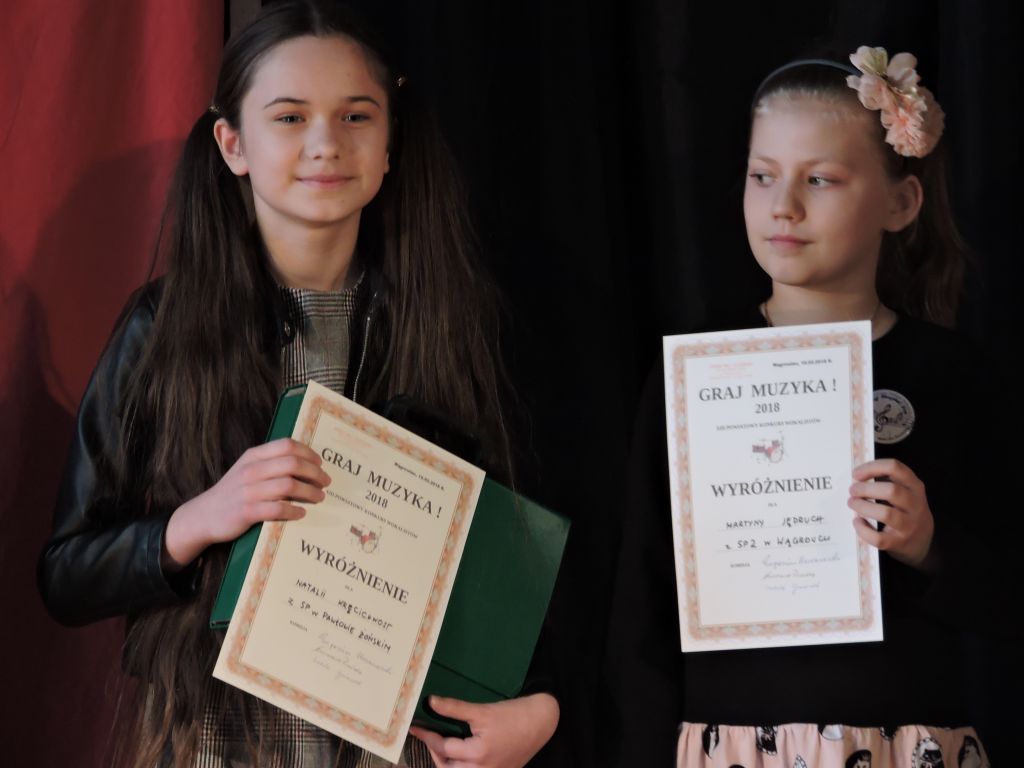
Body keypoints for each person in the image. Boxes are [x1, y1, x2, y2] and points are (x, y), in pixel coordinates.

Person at [37, 2, 558, 766]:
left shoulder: (446, 323)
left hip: (390, 746)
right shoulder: (162, 328)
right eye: (289, 117)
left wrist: (540, 707)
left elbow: (512, 561)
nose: (326, 144)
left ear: (391, 141)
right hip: (215, 740)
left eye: (356, 116)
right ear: (232, 143)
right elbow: (66, 575)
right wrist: (203, 518)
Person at [607, 45, 1011, 767]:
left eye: (820, 179)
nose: (783, 205)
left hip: (907, 748)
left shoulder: (953, 375)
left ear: (900, 203)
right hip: (728, 748)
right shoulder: (692, 374)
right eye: (763, 176)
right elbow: (642, 608)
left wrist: (930, 546)